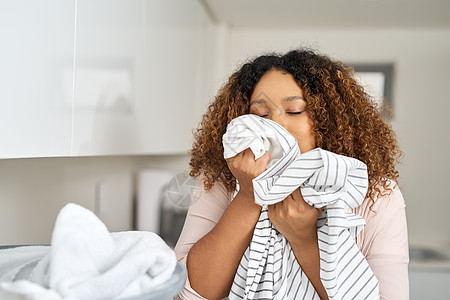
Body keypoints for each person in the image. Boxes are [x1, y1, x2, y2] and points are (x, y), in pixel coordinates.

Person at [174, 49, 409, 300]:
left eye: (294, 110)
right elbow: (186, 294)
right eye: (261, 115)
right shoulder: (223, 180)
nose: (276, 124)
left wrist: (303, 239)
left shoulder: (376, 195)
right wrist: (248, 195)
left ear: (328, 119)